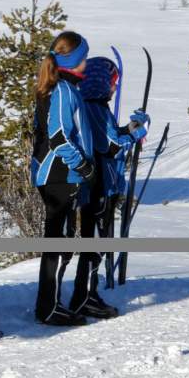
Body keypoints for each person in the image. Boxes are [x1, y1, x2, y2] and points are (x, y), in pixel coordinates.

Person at [31, 30, 100, 326]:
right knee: (58, 242)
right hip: (60, 175)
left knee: (60, 241)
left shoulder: (65, 88)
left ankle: (51, 303)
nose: (86, 62)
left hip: (62, 174)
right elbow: (59, 137)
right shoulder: (61, 91)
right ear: (73, 60)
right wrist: (82, 165)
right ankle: (48, 307)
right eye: (84, 57)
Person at [76, 55, 124, 320]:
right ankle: (87, 295)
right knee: (95, 239)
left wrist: (128, 130)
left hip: (101, 181)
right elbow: (109, 145)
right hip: (99, 183)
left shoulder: (95, 105)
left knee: (97, 238)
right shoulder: (93, 106)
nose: (114, 88)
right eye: (112, 82)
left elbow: (113, 138)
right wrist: (133, 134)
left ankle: (88, 293)